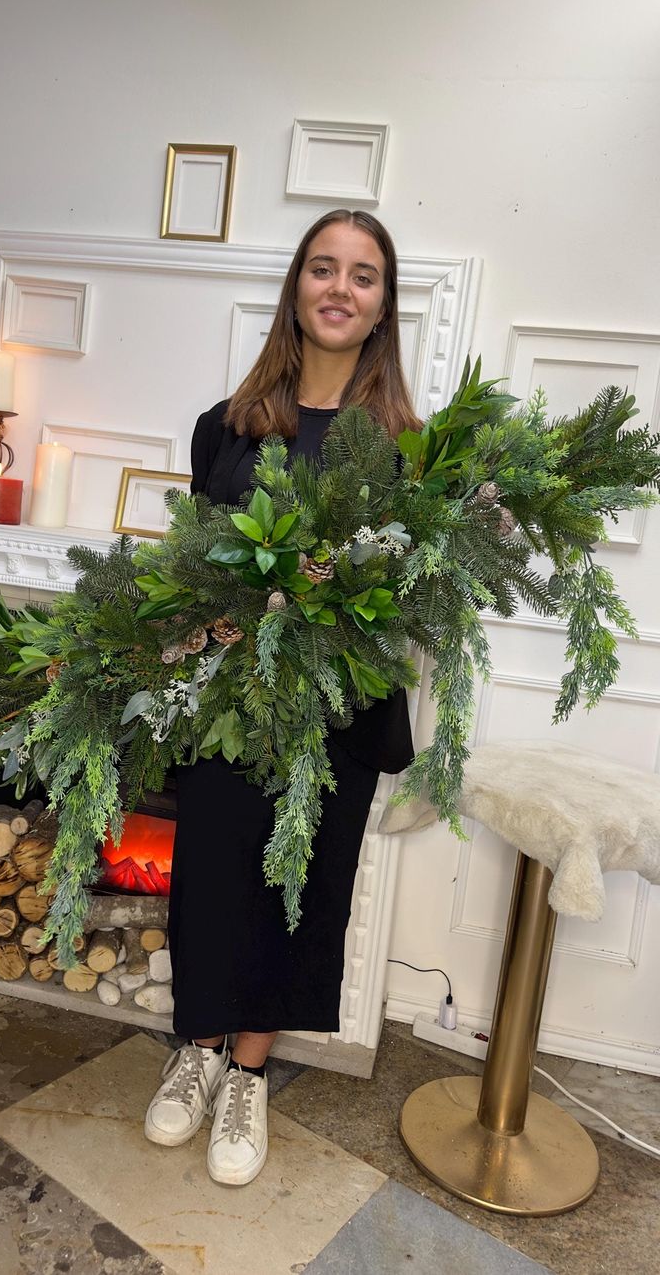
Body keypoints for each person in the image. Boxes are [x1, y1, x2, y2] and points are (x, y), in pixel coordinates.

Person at [144, 209, 421, 1186]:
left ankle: (250, 1072)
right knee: (212, 882)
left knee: (292, 891)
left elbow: (406, 599)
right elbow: (196, 570)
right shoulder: (222, 428)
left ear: (383, 305)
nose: (340, 289)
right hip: (228, 711)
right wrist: (206, 616)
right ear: (296, 288)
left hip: (336, 719)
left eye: (363, 276)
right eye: (322, 269)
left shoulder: (404, 448)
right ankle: (199, 1050)